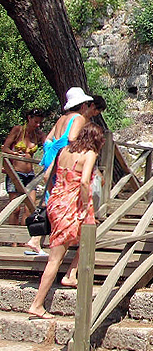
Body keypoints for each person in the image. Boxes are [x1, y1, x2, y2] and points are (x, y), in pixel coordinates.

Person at [27, 122, 105, 320]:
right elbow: (85, 181)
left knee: (88, 236)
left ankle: (71, 274)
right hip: (72, 204)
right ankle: (37, 304)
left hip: (55, 201)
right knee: (56, 258)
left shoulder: (63, 150)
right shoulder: (89, 154)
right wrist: (87, 206)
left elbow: (47, 176)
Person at [25, 87, 94, 256]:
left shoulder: (62, 118)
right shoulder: (78, 118)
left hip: (53, 156)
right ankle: (55, 237)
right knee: (64, 197)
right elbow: (71, 138)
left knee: (52, 196)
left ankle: (38, 237)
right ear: (82, 105)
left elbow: (48, 139)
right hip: (63, 159)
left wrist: (52, 151)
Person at [2, 109, 46, 228]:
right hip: (15, 173)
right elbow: (4, 148)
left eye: (40, 123)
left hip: (30, 175)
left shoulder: (37, 134)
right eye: (36, 122)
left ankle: (22, 237)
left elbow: (48, 145)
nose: (37, 125)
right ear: (29, 118)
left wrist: (44, 137)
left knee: (30, 207)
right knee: (15, 209)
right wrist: (14, 153)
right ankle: (12, 239)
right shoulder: (18, 130)